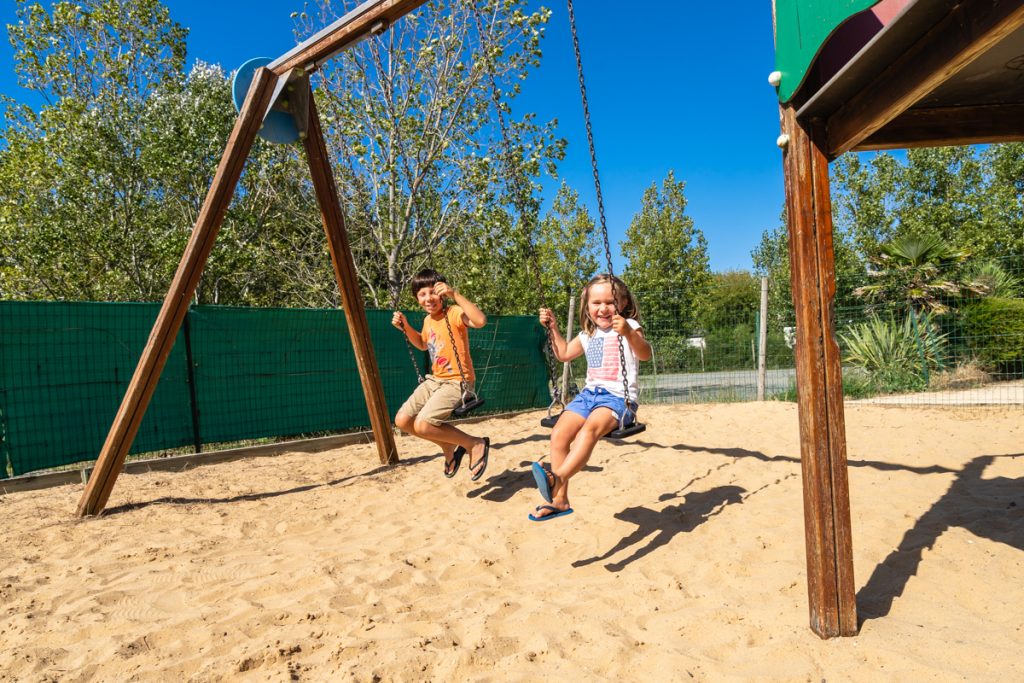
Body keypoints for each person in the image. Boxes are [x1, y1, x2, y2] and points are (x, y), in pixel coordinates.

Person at [531, 274, 652, 521]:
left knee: (588, 431)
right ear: (587, 306)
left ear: (624, 303)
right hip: (589, 396)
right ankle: (561, 500)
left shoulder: (629, 325)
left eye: (610, 302)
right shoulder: (588, 334)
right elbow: (563, 353)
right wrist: (553, 327)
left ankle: (557, 478)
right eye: (596, 303)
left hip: (618, 398)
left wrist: (628, 332)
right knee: (559, 435)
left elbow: (645, 354)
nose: (603, 308)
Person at [392, 268, 490, 480]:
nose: (428, 298)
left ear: (442, 292)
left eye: (432, 292)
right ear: (417, 299)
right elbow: (422, 345)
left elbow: (480, 321)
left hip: (457, 382)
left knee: (424, 424)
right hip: (434, 380)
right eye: (422, 294)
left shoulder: (454, 313)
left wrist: (455, 294)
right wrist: (406, 327)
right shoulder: (428, 321)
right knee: (402, 420)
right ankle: (447, 446)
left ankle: (475, 443)